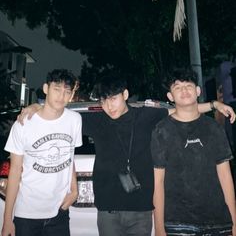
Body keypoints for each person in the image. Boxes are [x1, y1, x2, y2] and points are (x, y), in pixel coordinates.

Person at [17, 73, 236, 236]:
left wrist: (215, 104)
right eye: (103, 100)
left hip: (141, 209)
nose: (108, 106)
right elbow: (59, 111)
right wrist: (36, 106)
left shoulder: (146, 115)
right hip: (108, 210)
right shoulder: (96, 120)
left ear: (125, 95)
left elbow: (183, 109)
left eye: (113, 98)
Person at [151, 68, 236, 236]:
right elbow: (158, 182)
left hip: (218, 222)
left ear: (198, 91)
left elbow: (226, 176)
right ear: (170, 96)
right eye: (177, 87)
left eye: (188, 85)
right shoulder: (161, 131)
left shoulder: (214, 128)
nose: (184, 90)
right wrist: (159, 228)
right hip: (177, 223)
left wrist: (234, 222)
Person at [1, 69, 82, 236]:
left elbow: (69, 156)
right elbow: (15, 171)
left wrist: (74, 190)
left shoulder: (74, 120)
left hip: (59, 212)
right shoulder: (23, 124)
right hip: (27, 214)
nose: (61, 96)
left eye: (67, 91)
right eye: (57, 89)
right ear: (46, 88)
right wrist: (7, 219)